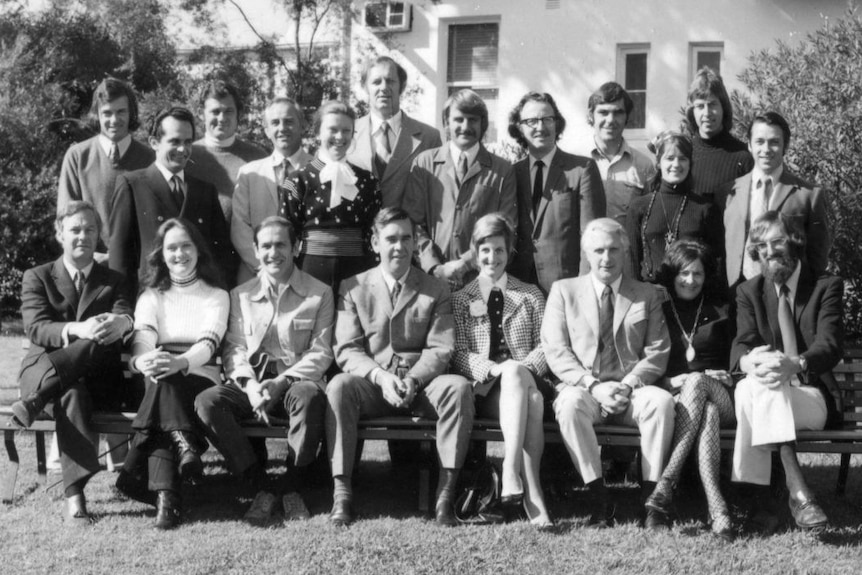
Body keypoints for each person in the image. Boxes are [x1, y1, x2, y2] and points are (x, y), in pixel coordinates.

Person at [325, 207, 474, 527]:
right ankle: (342, 494)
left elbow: (440, 348)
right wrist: (381, 377)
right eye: (391, 239)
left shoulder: (435, 288)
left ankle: (445, 498)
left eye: (407, 238)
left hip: (422, 387)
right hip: (375, 386)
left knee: (458, 388)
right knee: (339, 386)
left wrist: (415, 381)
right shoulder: (353, 286)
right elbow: (347, 349)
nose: (400, 246)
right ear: (375, 243)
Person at [196, 216, 333, 524]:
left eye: (281, 244)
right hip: (253, 384)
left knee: (309, 398)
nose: (274, 253)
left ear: (295, 247)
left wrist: (283, 381)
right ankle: (259, 484)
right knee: (207, 402)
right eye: (266, 246)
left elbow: (321, 352)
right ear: (256, 251)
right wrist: (249, 385)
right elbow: (234, 348)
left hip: (296, 380)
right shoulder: (240, 295)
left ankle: (292, 486)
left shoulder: (319, 293)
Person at [542, 217, 673, 529]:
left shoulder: (646, 294)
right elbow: (555, 350)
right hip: (586, 387)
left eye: (614, 249)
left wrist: (627, 386)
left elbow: (658, 350)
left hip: (632, 390)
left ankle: (652, 501)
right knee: (569, 403)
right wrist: (593, 385)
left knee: (662, 403)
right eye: (598, 250)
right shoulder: (564, 291)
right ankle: (599, 498)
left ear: (625, 252)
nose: (606, 258)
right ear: (587, 254)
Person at [11, 201, 134, 525]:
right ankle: (76, 497)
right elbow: (36, 328)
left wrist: (123, 323)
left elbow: (125, 315)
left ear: (99, 235)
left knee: (82, 378)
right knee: (73, 389)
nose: (83, 236)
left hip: (93, 386)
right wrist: (77, 329)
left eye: (90, 229)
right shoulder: (37, 276)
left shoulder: (115, 279)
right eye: (75, 229)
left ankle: (74, 499)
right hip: (43, 371)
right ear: (59, 233)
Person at [731, 211, 842, 533]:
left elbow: (830, 344)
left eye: (777, 242)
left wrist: (796, 363)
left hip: (811, 395)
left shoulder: (825, 286)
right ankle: (799, 495)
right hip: (770, 391)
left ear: (795, 242)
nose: (768, 251)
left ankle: (762, 503)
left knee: (753, 389)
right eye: (761, 245)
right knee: (756, 384)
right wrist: (748, 361)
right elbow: (741, 344)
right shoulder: (749, 292)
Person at [115, 218, 229, 529]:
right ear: (162, 255)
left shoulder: (216, 294)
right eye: (172, 248)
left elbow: (208, 343)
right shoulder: (152, 295)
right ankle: (179, 457)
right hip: (159, 378)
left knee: (165, 385)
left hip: (200, 376)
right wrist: (142, 362)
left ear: (198, 251)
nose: (180, 254)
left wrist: (179, 363)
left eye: (186, 246)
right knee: (163, 384)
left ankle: (137, 473)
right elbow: (142, 340)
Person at [452, 213, 552, 527]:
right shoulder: (461, 299)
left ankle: (510, 471)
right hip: (486, 389)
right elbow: (458, 352)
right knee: (530, 401)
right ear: (475, 252)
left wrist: (518, 369)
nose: (492, 257)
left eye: (499, 250)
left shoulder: (531, 295)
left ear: (509, 252)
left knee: (521, 381)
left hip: (529, 378)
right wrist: (495, 370)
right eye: (485, 250)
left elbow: (547, 345)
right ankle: (533, 498)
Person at [642, 240, 736, 540]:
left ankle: (667, 481)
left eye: (697, 273)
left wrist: (729, 374)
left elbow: (740, 356)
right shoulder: (661, 311)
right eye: (683, 273)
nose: (690, 280)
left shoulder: (722, 310)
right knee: (704, 412)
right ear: (672, 275)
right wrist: (669, 383)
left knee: (698, 383)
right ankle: (718, 510)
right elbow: (648, 362)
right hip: (679, 400)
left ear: (706, 275)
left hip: (723, 395)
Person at [109, 106, 236, 294]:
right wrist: (124, 310)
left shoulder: (205, 191)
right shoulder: (131, 185)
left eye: (188, 142)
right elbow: (120, 259)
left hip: (199, 304)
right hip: (150, 302)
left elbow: (222, 255)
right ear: (154, 142)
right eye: (174, 141)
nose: (183, 149)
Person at [404, 89, 517, 291]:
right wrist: (435, 267)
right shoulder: (425, 163)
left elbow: (505, 227)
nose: (465, 127)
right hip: (431, 280)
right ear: (446, 123)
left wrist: (465, 263)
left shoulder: (501, 170)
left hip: (481, 279)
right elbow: (413, 223)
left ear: (483, 124)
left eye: (472, 120)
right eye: (458, 119)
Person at [281, 100, 381, 297]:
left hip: (359, 273)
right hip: (310, 272)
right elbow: (286, 232)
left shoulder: (368, 181)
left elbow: (375, 231)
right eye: (332, 129)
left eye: (346, 130)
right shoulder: (298, 180)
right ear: (318, 132)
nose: (339, 136)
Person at [508, 91, 605, 293]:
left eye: (547, 119)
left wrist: (584, 289)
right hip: (519, 288)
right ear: (520, 127)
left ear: (557, 123)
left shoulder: (582, 170)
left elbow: (592, 237)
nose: (540, 127)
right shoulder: (512, 173)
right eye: (531, 121)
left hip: (566, 288)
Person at [724, 112, 831, 288]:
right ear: (749, 145)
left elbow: (818, 256)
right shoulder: (729, 193)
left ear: (785, 146)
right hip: (738, 294)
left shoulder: (809, 195)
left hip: (789, 294)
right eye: (759, 141)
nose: (766, 149)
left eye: (774, 142)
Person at [57, 77, 154, 257]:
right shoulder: (77, 157)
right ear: (97, 115)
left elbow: (155, 219)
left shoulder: (150, 159)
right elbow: (66, 219)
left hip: (138, 266)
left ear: (131, 113)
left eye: (121, 112)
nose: (114, 119)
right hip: (91, 266)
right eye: (107, 113)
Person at [232, 98, 313, 284]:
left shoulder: (319, 169)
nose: (282, 128)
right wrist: (264, 266)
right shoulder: (249, 173)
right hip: (256, 273)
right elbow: (239, 226)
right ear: (267, 130)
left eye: (289, 121)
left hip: (305, 274)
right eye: (275, 123)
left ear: (302, 126)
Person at [626, 131, 723, 284]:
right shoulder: (639, 207)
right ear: (658, 163)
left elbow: (715, 262)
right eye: (670, 158)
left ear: (690, 164)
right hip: (651, 297)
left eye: (683, 159)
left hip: (691, 294)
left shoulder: (705, 208)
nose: (676, 165)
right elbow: (631, 258)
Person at [347, 55, 442, 208]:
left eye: (390, 81)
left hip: (405, 230)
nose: (384, 87)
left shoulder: (429, 137)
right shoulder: (347, 133)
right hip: (358, 230)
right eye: (376, 82)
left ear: (402, 87)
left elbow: (436, 195)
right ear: (365, 87)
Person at [186, 80, 267, 225]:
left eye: (228, 111)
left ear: (238, 114)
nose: (222, 118)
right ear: (200, 113)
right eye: (215, 112)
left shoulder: (258, 158)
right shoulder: (187, 156)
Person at [584, 81, 655, 226]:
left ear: (627, 117)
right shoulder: (577, 161)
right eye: (603, 112)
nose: (610, 120)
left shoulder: (644, 166)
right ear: (591, 116)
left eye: (618, 113)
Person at [684, 67, 753, 203]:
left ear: (723, 107)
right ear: (692, 111)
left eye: (713, 104)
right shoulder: (683, 154)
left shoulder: (743, 156)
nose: (707, 113)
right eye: (700, 106)